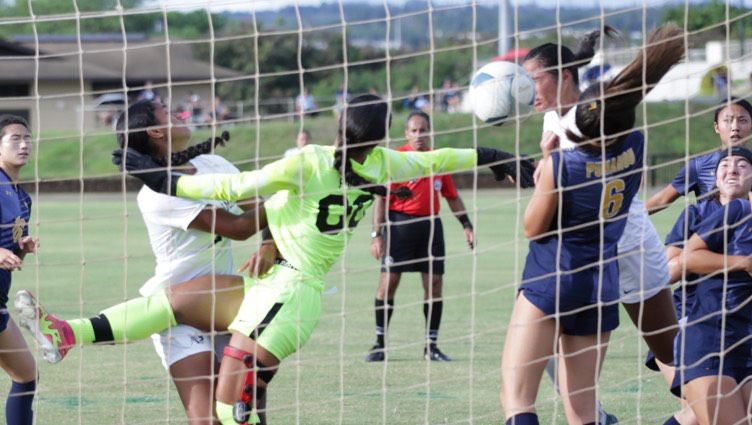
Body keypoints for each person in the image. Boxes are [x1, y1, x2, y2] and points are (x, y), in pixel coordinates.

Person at [16, 94, 534, 425]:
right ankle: (68, 333)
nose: (179, 116)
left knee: (231, 405)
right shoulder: (388, 161)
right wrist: (502, 157)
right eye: (169, 114)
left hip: (287, 292)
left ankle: (71, 334)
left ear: (340, 125)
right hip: (263, 287)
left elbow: (236, 194)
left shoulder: (307, 162)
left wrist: (159, 176)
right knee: (187, 340)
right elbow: (445, 158)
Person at [500, 25, 685, 425]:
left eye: (532, 79)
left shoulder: (574, 137)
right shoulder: (623, 135)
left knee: (667, 349)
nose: (526, 90)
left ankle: (716, 402)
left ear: (564, 75)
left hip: (617, 247)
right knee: (568, 371)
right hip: (598, 258)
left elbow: (538, 219)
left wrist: (544, 175)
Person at [114, 99, 266, 424]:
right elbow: (239, 227)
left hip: (227, 306)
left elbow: (257, 207)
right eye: (168, 113)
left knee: (245, 410)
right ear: (156, 131)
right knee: (206, 418)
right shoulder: (156, 194)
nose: (180, 114)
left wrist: (270, 241)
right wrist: (292, 196)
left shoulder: (213, 162)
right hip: (177, 312)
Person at [365, 111, 475, 362]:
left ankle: (431, 346)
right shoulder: (395, 159)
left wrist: (466, 224)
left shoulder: (438, 160)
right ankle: (380, 344)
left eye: (423, 130)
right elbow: (381, 199)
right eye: (414, 130)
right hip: (399, 227)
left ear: (430, 132)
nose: (419, 135)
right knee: (388, 284)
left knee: (435, 285)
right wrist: (377, 234)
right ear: (406, 133)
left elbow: (452, 196)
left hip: (431, 229)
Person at [657, 147, 752, 425]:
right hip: (693, 321)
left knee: (698, 416)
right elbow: (673, 269)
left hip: (745, 333)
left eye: (742, 165)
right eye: (725, 164)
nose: (733, 170)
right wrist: (739, 263)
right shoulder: (701, 213)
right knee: (701, 412)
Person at [646, 97, 752, 214]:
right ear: (717, 127)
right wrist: (629, 219)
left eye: (743, 120)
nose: (735, 127)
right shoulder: (698, 166)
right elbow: (662, 200)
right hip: (708, 232)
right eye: (728, 120)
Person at [0, 115, 37, 425]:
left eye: (27, 138)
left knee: (26, 375)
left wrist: (18, 247)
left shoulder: (23, 198)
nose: (24, 144)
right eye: (15, 138)